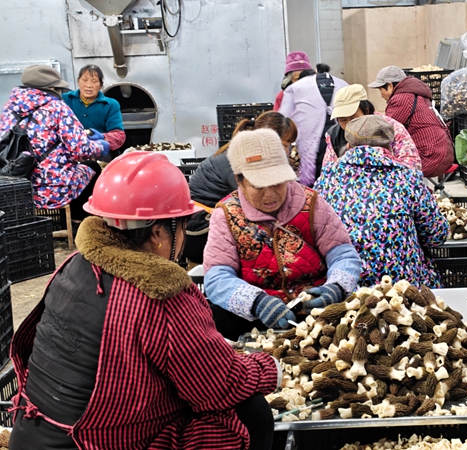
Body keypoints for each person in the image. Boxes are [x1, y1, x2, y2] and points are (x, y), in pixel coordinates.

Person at [9, 152, 280, 450]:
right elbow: (219, 386)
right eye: (182, 223)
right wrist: (269, 368)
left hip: (33, 435)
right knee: (250, 413)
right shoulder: (160, 293)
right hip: (93, 443)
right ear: (157, 233)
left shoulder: (75, 265)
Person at [203, 128, 361, 340]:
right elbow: (216, 277)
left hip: (316, 314)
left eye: (277, 183)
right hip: (256, 319)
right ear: (239, 180)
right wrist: (257, 302)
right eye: (258, 186)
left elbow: (342, 254)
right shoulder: (226, 214)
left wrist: (336, 287)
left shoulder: (311, 202)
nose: (270, 195)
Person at [315, 115, 447, 288]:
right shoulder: (407, 178)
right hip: (404, 288)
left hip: (348, 285)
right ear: (389, 146)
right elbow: (436, 235)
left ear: (348, 145)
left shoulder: (325, 182)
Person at [185, 111, 298, 265]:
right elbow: (254, 203)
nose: (286, 151)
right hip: (199, 232)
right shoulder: (239, 161)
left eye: (288, 146)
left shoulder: (243, 153)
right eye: (284, 145)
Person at [0, 65, 108, 219]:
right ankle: (80, 220)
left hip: (17, 190)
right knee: (92, 167)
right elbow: (80, 149)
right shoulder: (57, 108)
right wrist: (100, 147)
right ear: (51, 88)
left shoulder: (9, 109)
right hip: (53, 190)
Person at [369, 65, 454, 178]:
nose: (381, 95)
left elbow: (385, 131)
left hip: (431, 158)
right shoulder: (416, 94)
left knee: (382, 168)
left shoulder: (401, 99)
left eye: (380, 89)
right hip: (444, 154)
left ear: (389, 86)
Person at [279, 60, 347, 186]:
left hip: (308, 155)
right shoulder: (343, 85)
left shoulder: (294, 89)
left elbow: (281, 121)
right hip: (340, 151)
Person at [322, 84, 421, 172]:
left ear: (366, 110)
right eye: (343, 119)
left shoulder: (392, 128)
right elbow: (327, 171)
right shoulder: (333, 135)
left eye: (353, 118)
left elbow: (412, 166)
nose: (349, 125)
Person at [62, 65, 126, 155]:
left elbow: (119, 135)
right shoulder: (65, 99)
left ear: (100, 85)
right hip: (72, 153)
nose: (89, 85)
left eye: (94, 81)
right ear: (78, 81)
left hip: (101, 153)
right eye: (84, 80)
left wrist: (102, 137)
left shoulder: (111, 105)